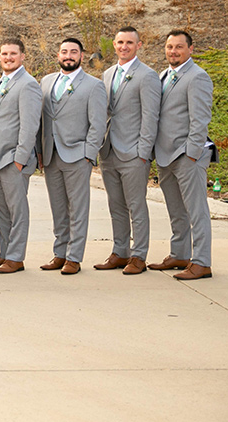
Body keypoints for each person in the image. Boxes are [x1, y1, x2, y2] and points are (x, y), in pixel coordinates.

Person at [37, 38, 107, 276]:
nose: (68, 55)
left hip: (77, 155)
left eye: (73, 52)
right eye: (64, 51)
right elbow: (42, 120)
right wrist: (39, 150)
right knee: (58, 207)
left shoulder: (93, 85)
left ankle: (74, 257)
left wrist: (89, 154)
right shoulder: (46, 82)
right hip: (50, 154)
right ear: (58, 55)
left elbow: (98, 125)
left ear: (81, 55)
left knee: (77, 208)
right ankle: (60, 253)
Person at [150, 30, 215, 281]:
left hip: (187, 155)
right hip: (165, 155)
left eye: (179, 47)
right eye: (169, 47)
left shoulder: (197, 77)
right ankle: (180, 254)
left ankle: (202, 262)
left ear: (190, 49)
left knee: (196, 210)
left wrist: (191, 154)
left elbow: (200, 120)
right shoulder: (164, 75)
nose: (173, 52)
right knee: (176, 209)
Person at [95, 26, 160, 275]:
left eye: (129, 43)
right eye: (120, 42)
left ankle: (138, 255)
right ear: (114, 44)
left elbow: (150, 116)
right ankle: (120, 251)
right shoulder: (107, 74)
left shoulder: (147, 76)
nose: (124, 46)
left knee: (136, 205)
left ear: (139, 45)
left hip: (134, 152)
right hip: (109, 150)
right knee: (116, 205)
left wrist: (143, 151)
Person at [0, 38, 40, 274]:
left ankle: (16, 257)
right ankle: (5, 252)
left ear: (23, 56)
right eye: (4, 54)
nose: (8, 58)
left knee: (17, 211)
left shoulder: (28, 84)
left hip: (12, 159)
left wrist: (20, 158)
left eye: (13, 54)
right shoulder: (2, 81)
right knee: (2, 210)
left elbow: (30, 125)